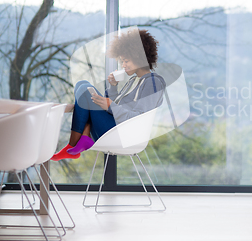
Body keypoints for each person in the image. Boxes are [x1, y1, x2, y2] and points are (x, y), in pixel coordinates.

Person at [51, 29, 166, 161]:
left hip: (126, 137)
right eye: (122, 61)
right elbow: (115, 110)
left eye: (126, 61)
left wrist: (111, 105)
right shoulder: (134, 81)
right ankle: (84, 138)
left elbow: (137, 118)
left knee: (85, 90)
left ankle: (73, 144)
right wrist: (113, 86)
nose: (123, 65)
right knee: (82, 84)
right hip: (114, 130)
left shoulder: (153, 82)